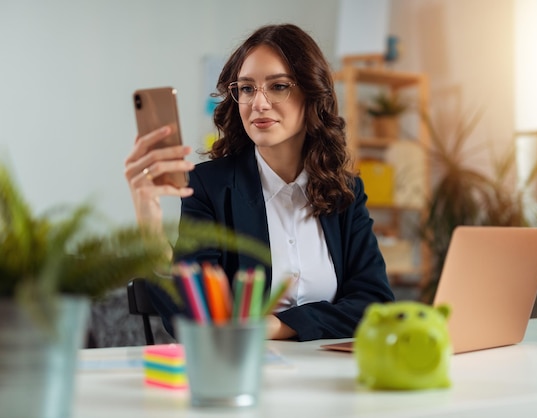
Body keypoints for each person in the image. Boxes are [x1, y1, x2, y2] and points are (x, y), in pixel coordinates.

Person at [124, 23, 395, 342]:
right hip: (246, 373)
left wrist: (276, 325)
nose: (259, 103)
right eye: (247, 88)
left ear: (311, 94)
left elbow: (375, 303)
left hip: (333, 374)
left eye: (278, 86)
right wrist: (149, 220)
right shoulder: (210, 186)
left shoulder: (344, 191)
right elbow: (192, 318)